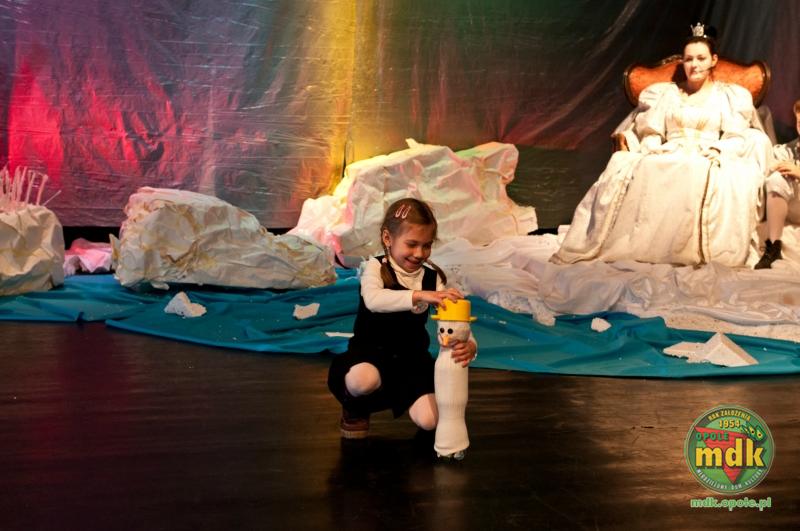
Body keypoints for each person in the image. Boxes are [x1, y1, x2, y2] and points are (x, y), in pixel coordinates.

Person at [551, 23, 770, 267]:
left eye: (701, 58)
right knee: (646, 166)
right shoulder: (666, 94)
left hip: (706, 153)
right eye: (689, 59)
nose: (694, 65)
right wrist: (652, 148)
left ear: (713, 60)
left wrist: (718, 150)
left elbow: (736, 135)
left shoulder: (728, 96)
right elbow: (651, 131)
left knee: (694, 169)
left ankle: (685, 249)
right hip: (669, 150)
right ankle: (642, 246)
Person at [328, 198, 478, 439]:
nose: (419, 253)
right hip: (370, 355)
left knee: (430, 420)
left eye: (427, 246)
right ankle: (354, 407)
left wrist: (470, 344)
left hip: (411, 360)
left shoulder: (432, 278)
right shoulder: (375, 268)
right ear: (388, 238)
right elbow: (374, 300)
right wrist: (420, 295)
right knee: (361, 381)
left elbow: (455, 322)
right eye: (412, 244)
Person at [754, 100, 800, 269]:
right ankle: (774, 247)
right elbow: (773, 162)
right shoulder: (789, 149)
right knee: (776, 179)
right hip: (795, 206)